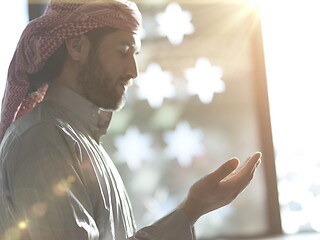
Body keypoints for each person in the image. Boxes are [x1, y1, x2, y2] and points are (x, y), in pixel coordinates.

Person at [0, 0, 262, 239]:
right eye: (123, 51)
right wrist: (190, 210)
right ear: (77, 46)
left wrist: (192, 209)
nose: (133, 72)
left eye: (134, 55)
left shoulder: (75, 138)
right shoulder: (44, 138)